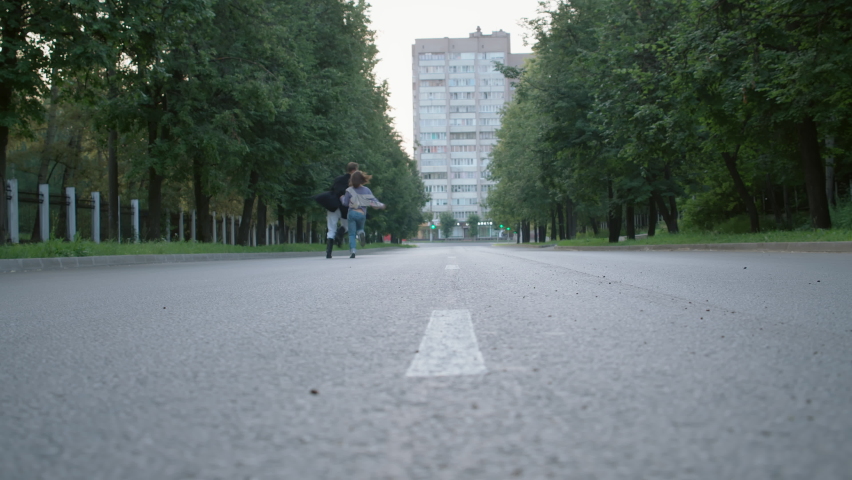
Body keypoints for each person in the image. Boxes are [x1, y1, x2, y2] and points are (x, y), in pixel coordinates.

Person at [317, 162, 358, 259]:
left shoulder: (338, 179)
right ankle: (338, 235)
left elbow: (332, 190)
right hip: (345, 207)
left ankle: (328, 253)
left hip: (333, 205)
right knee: (347, 226)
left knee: (331, 227)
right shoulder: (354, 181)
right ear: (354, 170)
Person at [341, 171, 386, 258]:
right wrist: (381, 205)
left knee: (351, 234)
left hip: (352, 213)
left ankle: (353, 251)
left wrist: (342, 198)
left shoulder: (349, 190)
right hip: (362, 214)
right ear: (362, 179)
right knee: (360, 228)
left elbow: (345, 203)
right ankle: (361, 233)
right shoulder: (366, 190)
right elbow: (374, 201)